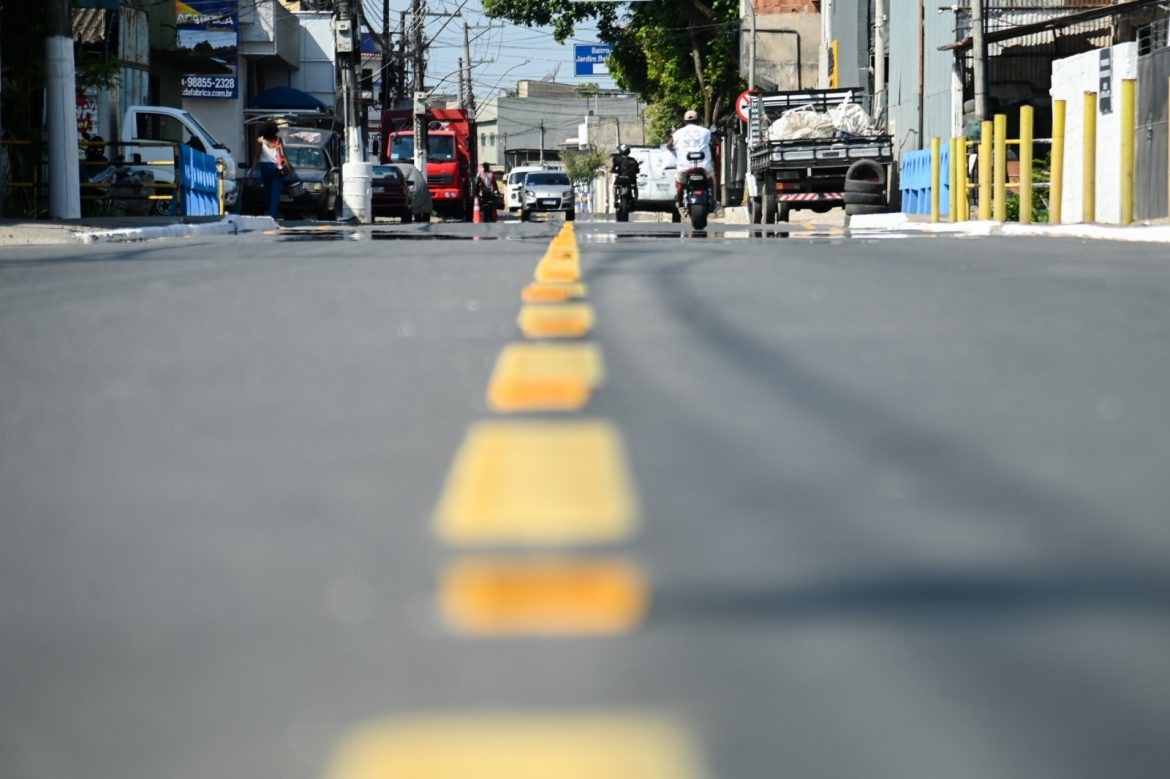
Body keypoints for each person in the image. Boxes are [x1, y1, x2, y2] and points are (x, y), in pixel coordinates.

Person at [666, 109, 713, 207]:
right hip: (703, 166)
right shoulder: (706, 132)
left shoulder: (678, 133)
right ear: (698, 121)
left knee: (681, 184)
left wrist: (672, 146)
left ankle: (680, 204)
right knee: (710, 180)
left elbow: (669, 145)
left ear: (685, 121)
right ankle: (714, 200)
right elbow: (716, 141)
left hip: (684, 166)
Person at [256, 120, 286, 219]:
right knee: (275, 192)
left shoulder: (261, 140)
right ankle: (272, 214)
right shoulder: (278, 140)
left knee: (267, 191)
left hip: (264, 167)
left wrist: (252, 168)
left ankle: (269, 211)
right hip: (275, 167)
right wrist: (289, 167)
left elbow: (257, 154)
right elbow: (282, 155)